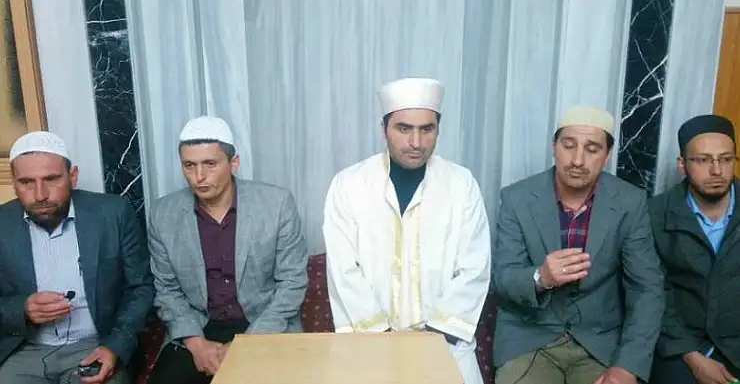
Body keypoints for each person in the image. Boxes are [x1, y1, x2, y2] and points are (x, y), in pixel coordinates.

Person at [323, 77, 491, 384]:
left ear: (438, 129)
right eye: (404, 129)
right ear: (383, 129)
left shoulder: (461, 184)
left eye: (427, 129)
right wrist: (383, 335)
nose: (416, 142)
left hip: (445, 343)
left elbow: (474, 268)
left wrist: (433, 335)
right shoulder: (348, 185)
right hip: (368, 340)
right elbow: (343, 269)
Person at [492, 106, 664, 384]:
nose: (577, 160)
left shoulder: (630, 203)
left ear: (607, 154)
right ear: (554, 146)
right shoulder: (517, 198)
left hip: (599, 344)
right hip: (531, 339)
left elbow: (646, 289)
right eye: (568, 146)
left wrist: (628, 366)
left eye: (592, 149)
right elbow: (503, 278)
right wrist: (541, 277)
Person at [147, 116, 308, 384]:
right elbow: (166, 289)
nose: (199, 176)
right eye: (189, 165)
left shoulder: (276, 204)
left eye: (210, 164)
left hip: (266, 326)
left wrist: (248, 343)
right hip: (198, 328)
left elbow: (292, 283)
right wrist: (196, 344)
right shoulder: (163, 213)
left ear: (234, 162)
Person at [0, 131, 154, 384]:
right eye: (27, 182)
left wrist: (115, 346)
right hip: (24, 351)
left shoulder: (113, 213)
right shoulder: (2, 223)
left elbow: (141, 287)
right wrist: (22, 310)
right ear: (14, 183)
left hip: (95, 346)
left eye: (51, 179)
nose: (40, 194)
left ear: (72, 177)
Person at [649, 114, 740, 384]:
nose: (716, 170)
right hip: (679, 345)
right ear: (682, 164)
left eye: (725, 159)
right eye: (702, 160)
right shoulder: (654, 215)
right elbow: (651, 292)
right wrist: (692, 355)